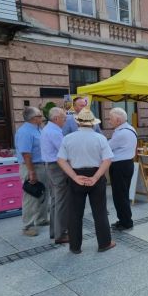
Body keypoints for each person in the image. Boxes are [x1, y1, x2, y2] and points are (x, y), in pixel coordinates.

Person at [57, 109, 115, 254]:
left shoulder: (68, 138)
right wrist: (95, 177)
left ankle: (75, 247)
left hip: (76, 175)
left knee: (75, 213)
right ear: (92, 123)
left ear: (78, 122)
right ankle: (104, 243)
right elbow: (107, 160)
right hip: (96, 173)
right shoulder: (100, 138)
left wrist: (74, 177)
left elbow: (61, 160)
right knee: (100, 211)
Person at [15, 107, 49, 237]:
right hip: (31, 166)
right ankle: (27, 226)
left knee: (43, 192)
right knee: (30, 196)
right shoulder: (25, 132)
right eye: (40, 116)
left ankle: (41, 219)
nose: (42, 118)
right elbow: (26, 154)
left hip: (41, 165)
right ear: (33, 118)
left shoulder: (38, 129)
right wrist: (31, 172)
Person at [40, 107, 69, 244]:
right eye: (64, 118)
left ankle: (55, 231)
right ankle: (60, 234)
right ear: (56, 118)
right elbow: (64, 151)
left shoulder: (48, 129)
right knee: (61, 201)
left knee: (55, 200)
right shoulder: (54, 132)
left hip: (50, 166)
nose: (65, 120)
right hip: (56, 167)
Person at [109, 108, 137, 231]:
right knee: (123, 194)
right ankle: (125, 219)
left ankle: (125, 222)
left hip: (119, 166)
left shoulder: (121, 133)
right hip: (127, 164)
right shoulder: (130, 129)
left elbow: (107, 147)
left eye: (111, 119)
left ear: (118, 120)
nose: (109, 121)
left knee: (119, 195)